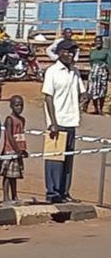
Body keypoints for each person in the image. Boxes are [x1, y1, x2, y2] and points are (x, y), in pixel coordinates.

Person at [43, 40, 86, 204]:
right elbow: (48, 97)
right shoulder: (52, 72)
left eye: (72, 52)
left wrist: (83, 99)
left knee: (68, 160)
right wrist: (52, 122)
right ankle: (52, 193)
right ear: (60, 52)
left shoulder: (74, 71)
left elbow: (81, 91)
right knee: (54, 160)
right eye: (67, 51)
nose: (70, 55)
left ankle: (64, 191)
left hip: (71, 121)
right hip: (57, 122)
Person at [0, 95, 28, 205]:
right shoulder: (9, 119)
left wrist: (23, 150)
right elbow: (9, 135)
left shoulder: (22, 120)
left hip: (18, 152)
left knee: (14, 176)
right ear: (11, 106)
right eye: (16, 105)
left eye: (21, 105)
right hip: (9, 151)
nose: (19, 107)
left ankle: (15, 196)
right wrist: (16, 150)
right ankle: (6, 197)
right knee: (7, 175)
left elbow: (20, 135)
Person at [86, 36, 111, 115]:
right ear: (94, 42)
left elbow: (109, 63)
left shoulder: (106, 51)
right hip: (93, 72)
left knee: (102, 90)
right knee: (93, 90)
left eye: (99, 41)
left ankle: (101, 108)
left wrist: (109, 73)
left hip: (102, 72)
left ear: (102, 42)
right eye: (96, 41)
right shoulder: (92, 51)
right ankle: (96, 108)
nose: (98, 42)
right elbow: (90, 62)